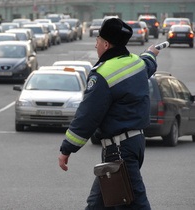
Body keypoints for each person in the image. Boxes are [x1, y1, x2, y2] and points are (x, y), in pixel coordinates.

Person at [58, 18, 160, 210]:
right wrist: (152, 54)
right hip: (134, 144)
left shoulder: (102, 74)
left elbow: (87, 116)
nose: (95, 44)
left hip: (119, 150)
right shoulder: (136, 63)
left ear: (106, 44)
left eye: (97, 40)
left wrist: (66, 149)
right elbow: (148, 65)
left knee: (136, 204)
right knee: (97, 204)